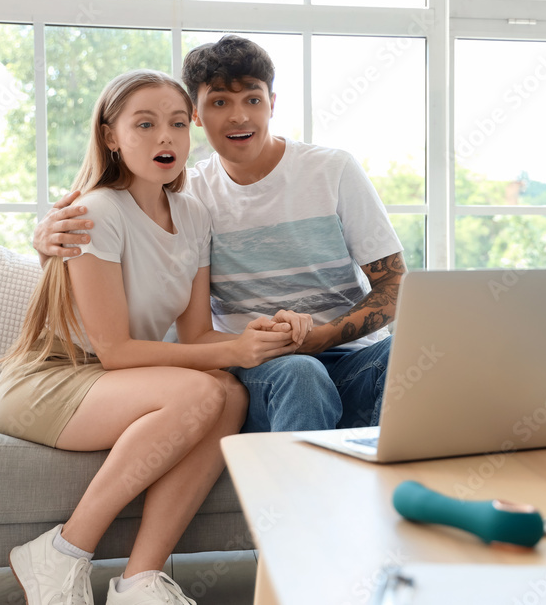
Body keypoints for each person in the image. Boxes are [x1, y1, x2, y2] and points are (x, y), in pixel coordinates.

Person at [0, 69, 310, 605]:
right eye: (145, 124)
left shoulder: (192, 215)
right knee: (205, 388)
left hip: (114, 378)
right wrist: (231, 352)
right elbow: (114, 350)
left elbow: (199, 334)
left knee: (228, 393)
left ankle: (140, 580)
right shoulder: (95, 212)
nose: (166, 138)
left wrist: (254, 336)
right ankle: (64, 550)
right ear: (111, 136)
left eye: (178, 124)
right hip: (52, 380)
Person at [33, 35, 406, 435]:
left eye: (253, 99)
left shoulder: (332, 171)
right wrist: (45, 241)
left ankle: (417, 493)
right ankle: (300, 494)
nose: (239, 117)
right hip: (263, 371)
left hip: (355, 361)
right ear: (195, 114)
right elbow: (123, 250)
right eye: (219, 102)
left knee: (413, 353)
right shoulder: (186, 196)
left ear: (272, 104)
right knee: (301, 372)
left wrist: (320, 337)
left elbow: (395, 284)